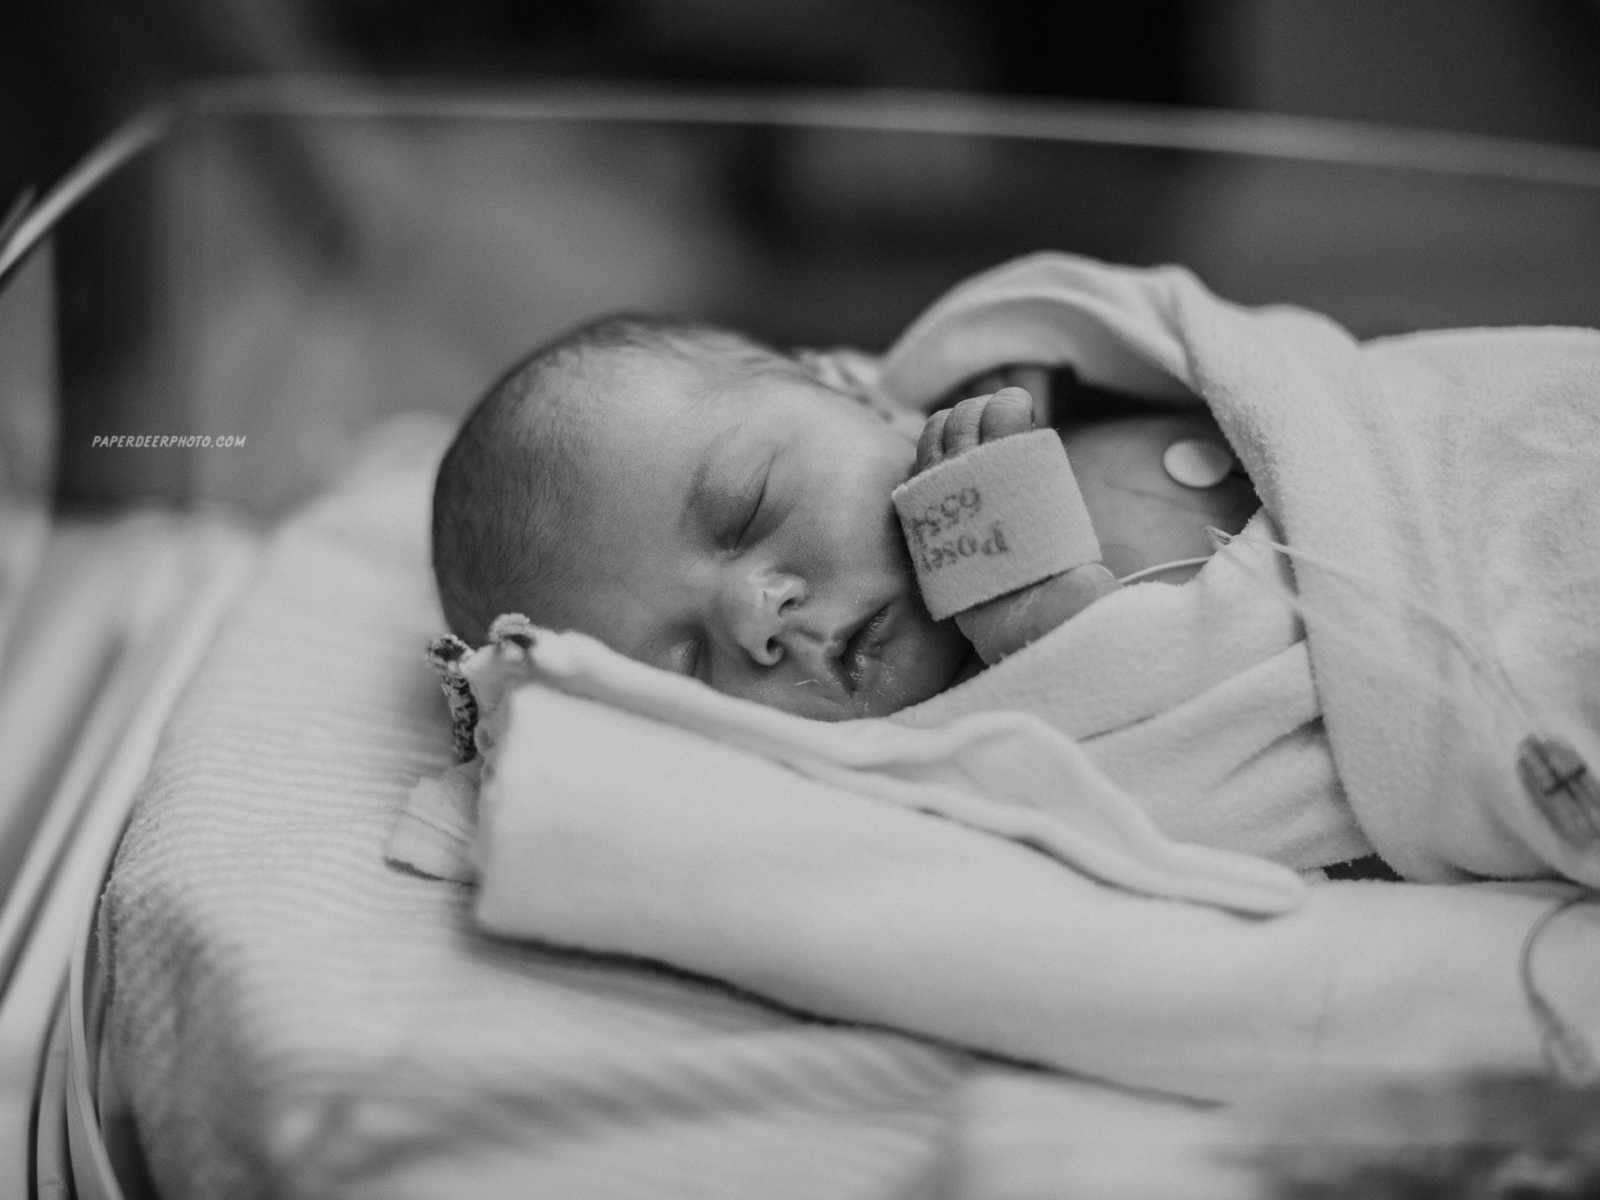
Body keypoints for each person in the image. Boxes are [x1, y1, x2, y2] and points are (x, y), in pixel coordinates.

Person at [430, 313, 1258, 721]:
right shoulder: (969, 756)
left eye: (748, 506)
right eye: (686, 667)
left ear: (846, 390)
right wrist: (1046, 633)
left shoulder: (1030, 370)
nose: (756, 619)